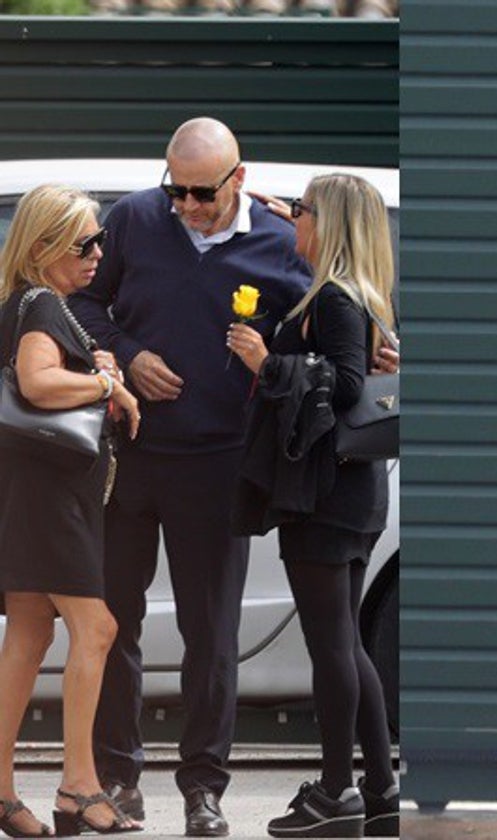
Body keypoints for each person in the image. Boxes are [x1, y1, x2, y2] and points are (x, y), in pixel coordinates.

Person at [68, 117, 314, 837]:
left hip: (220, 462)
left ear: (240, 179)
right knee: (112, 621)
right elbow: (84, 305)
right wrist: (127, 351)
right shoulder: (136, 218)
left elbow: (319, 327)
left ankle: (204, 787)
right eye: (174, 188)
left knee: (213, 632)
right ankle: (118, 775)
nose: (185, 205)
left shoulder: (279, 241)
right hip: (130, 452)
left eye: (201, 193)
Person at [227, 173, 399, 838]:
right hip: (352, 491)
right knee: (346, 643)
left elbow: (347, 383)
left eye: (301, 212)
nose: (292, 221)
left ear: (326, 224)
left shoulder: (334, 299)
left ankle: (337, 791)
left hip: (326, 495)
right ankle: (379, 787)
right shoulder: (359, 296)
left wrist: (265, 361)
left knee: (330, 647)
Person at [0, 184, 141, 837]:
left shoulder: (24, 303)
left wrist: (94, 367)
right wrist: (109, 382)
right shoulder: (42, 303)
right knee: (98, 628)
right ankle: (79, 787)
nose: (97, 253)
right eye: (84, 242)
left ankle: (1, 794)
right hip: (51, 498)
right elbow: (36, 381)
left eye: (99, 240)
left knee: (29, 636)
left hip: (32, 492)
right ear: (44, 245)